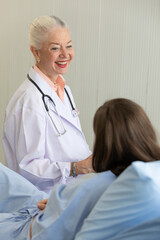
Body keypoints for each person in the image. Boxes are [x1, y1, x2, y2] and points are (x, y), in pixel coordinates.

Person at [1, 98, 160, 240]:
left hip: (27, 229)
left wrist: (62, 203)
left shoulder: (104, 184)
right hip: (44, 207)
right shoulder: (143, 172)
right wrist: (60, 203)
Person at [2, 15, 93, 193]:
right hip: (42, 201)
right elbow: (27, 166)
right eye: (55, 48)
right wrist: (76, 168)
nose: (65, 55)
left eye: (69, 45)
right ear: (36, 52)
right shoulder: (29, 100)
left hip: (71, 192)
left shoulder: (63, 88)